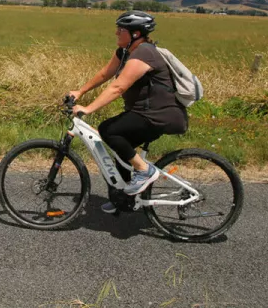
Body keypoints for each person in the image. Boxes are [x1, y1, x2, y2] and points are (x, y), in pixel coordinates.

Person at [68, 11, 188, 214]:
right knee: (121, 151)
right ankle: (123, 200)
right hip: (143, 113)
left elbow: (118, 87)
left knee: (109, 130)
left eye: (121, 29)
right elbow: (106, 74)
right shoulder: (124, 52)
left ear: (136, 33)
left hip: (159, 115)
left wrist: (88, 108)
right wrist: (81, 91)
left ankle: (144, 170)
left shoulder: (145, 53)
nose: (116, 32)